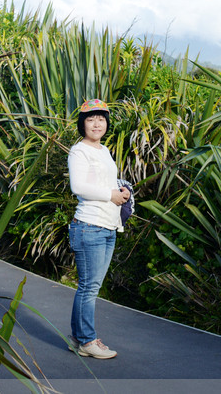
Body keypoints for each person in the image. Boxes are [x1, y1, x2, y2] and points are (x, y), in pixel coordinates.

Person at [67, 99, 130, 359]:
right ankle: (86, 341)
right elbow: (79, 187)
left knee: (91, 286)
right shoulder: (78, 151)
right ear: (82, 123)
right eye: (91, 118)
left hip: (107, 226)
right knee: (89, 288)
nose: (97, 123)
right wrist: (110, 194)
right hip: (89, 226)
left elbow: (105, 181)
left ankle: (78, 338)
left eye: (101, 118)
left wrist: (121, 190)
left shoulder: (103, 150)